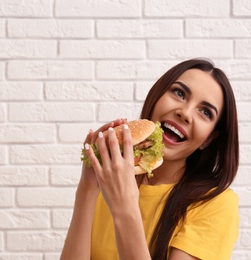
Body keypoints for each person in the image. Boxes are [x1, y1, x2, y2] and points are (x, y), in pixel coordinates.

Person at [60, 58, 240, 260]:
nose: (185, 113)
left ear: (208, 140)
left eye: (205, 112)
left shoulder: (215, 203)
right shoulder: (110, 181)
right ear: (156, 97)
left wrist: (125, 209)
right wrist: (88, 186)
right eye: (179, 93)